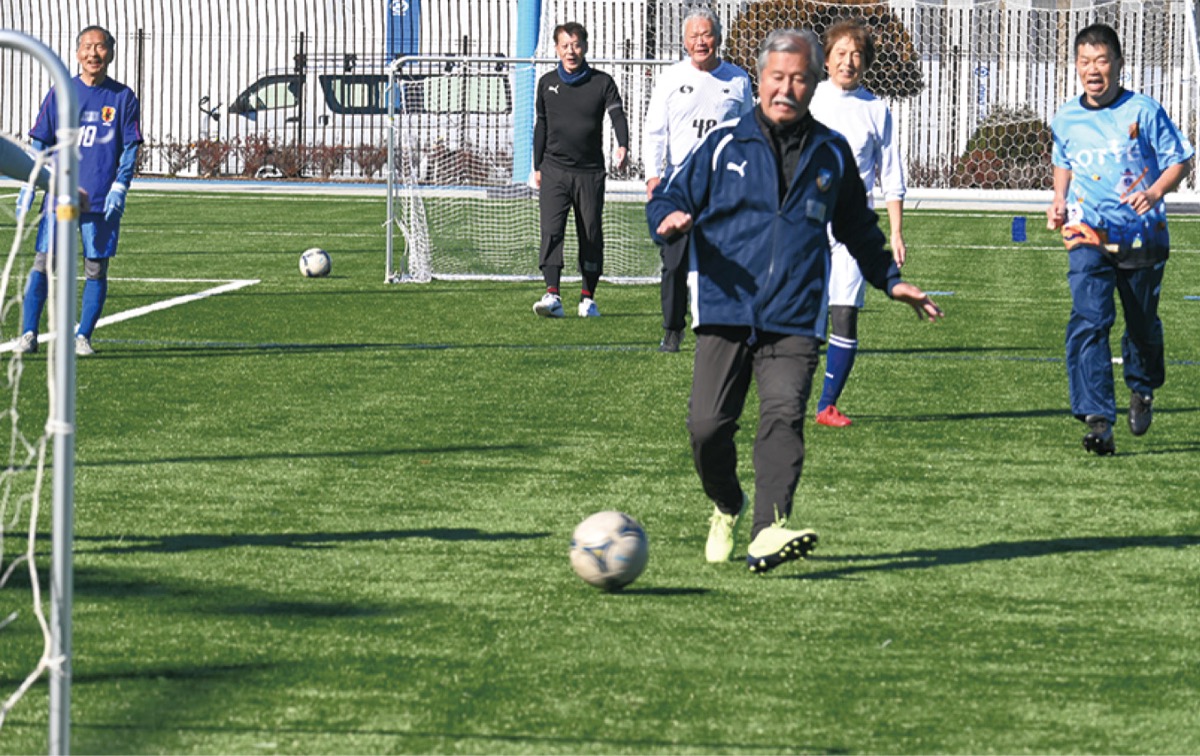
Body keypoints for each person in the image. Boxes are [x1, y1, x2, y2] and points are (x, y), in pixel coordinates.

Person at [647, 29, 942, 573]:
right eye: (777, 78)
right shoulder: (722, 146)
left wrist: (890, 279)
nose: (787, 88)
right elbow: (670, 193)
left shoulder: (831, 152)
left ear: (813, 85)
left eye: (798, 79)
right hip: (725, 307)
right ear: (759, 80)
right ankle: (726, 504)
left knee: (783, 419)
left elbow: (859, 226)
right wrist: (666, 221)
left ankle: (768, 530)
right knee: (707, 428)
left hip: (795, 315)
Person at [1046, 23, 1193, 455]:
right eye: (1085, 61)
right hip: (1086, 231)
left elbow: (1180, 159)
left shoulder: (1144, 111)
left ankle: (1143, 386)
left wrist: (1154, 192)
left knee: (1142, 324)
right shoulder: (1065, 116)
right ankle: (1097, 419)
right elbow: (1063, 161)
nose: (1093, 69)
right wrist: (1058, 200)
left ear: (1118, 64)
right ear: (1076, 67)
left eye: (1101, 60)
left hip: (1142, 234)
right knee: (1089, 319)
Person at [14, 25, 143, 357]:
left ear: (111, 53)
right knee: (44, 263)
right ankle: (29, 333)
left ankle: (83, 336)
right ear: (77, 53)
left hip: (100, 200)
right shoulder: (61, 92)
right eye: (87, 47)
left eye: (100, 47)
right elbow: (41, 141)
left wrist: (119, 186)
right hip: (61, 198)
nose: (93, 53)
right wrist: (30, 184)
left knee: (96, 268)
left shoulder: (123, 97)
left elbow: (130, 147)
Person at [808, 19, 907, 427]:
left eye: (856, 55)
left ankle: (827, 404)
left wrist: (897, 231)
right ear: (826, 60)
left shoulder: (875, 109)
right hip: (805, 222)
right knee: (797, 316)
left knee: (844, 312)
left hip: (851, 226)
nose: (848, 62)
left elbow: (891, 173)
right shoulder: (809, 100)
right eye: (841, 54)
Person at [642, 7, 753, 352]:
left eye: (706, 35)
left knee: (732, 259)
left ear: (718, 38)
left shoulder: (738, 80)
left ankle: (734, 328)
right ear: (685, 42)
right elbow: (655, 132)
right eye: (694, 36)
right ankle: (672, 329)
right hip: (679, 189)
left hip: (724, 189)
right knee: (674, 261)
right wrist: (653, 177)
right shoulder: (671, 79)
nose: (701, 41)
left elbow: (750, 133)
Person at [531, 22, 629, 319]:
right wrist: (537, 166)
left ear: (585, 46)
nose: (570, 51)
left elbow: (617, 115)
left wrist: (622, 145)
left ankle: (587, 298)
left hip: (590, 173)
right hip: (554, 169)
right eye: (565, 46)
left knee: (590, 233)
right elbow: (542, 126)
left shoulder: (602, 82)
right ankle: (552, 295)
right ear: (557, 49)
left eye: (576, 45)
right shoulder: (546, 82)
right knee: (551, 231)